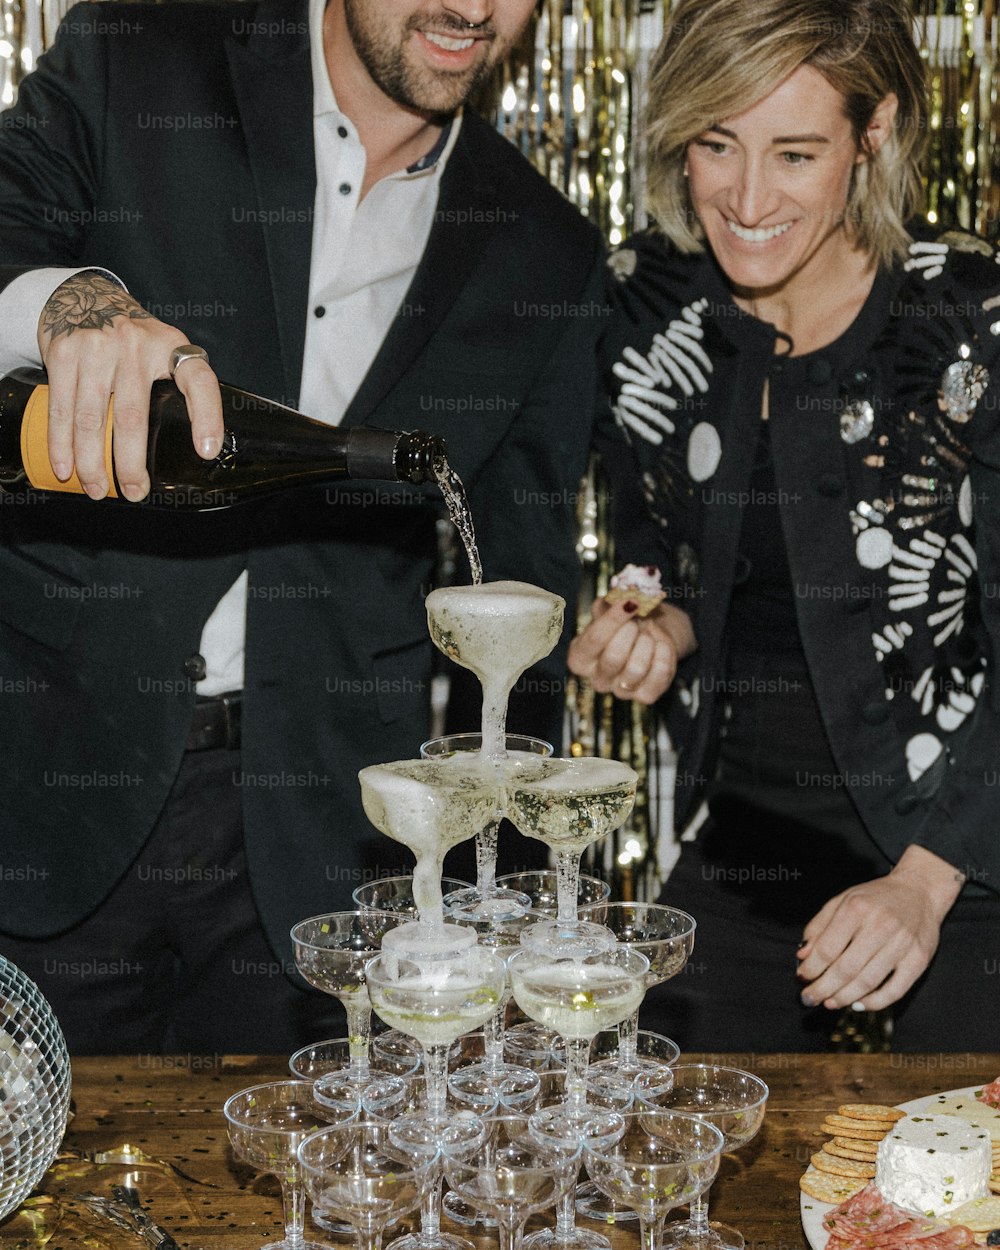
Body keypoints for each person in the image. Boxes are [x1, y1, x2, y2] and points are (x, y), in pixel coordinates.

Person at [0, 0, 606, 1052]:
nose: (471, 8)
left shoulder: (544, 248)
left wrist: (499, 906)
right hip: (48, 796)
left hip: (324, 855)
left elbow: (517, 589)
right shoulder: (141, 54)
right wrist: (68, 305)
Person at [570, 0, 1000, 1051]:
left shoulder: (969, 321)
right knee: (654, 1152)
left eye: (795, 153)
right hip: (747, 851)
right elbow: (656, 551)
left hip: (968, 850)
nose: (746, 199)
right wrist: (647, 625)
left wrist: (922, 883)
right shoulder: (647, 305)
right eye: (715, 144)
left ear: (875, 132)